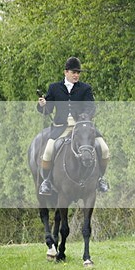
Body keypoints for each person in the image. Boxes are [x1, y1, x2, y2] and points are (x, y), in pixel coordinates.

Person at [36, 57, 110, 195]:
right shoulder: (54, 88)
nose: (76, 75)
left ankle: (100, 178)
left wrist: (84, 117)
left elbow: (90, 107)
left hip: (83, 128)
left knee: (104, 149)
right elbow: (47, 109)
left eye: (78, 72)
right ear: (66, 72)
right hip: (61, 127)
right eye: (73, 72)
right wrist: (42, 105)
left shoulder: (85, 88)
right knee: (47, 152)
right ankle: (46, 181)